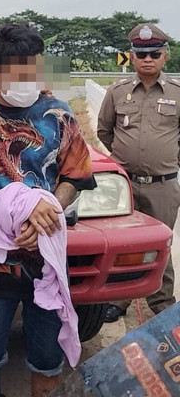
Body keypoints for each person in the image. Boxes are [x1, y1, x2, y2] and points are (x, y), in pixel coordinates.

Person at [0, 24, 96, 397]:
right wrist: (21, 208)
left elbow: (75, 177)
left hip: (47, 259)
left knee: (47, 360)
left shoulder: (60, 116)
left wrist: (47, 211)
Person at [97, 23, 180, 323]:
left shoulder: (177, 93)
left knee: (161, 243)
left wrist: (166, 159)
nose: (148, 59)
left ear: (165, 56)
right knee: (123, 243)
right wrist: (126, 158)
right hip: (125, 184)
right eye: (141, 54)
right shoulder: (117, 91)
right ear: (132, 56)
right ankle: (118, 299)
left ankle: (161, 301)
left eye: (154, 54)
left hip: (163, 185)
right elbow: (104, 131)